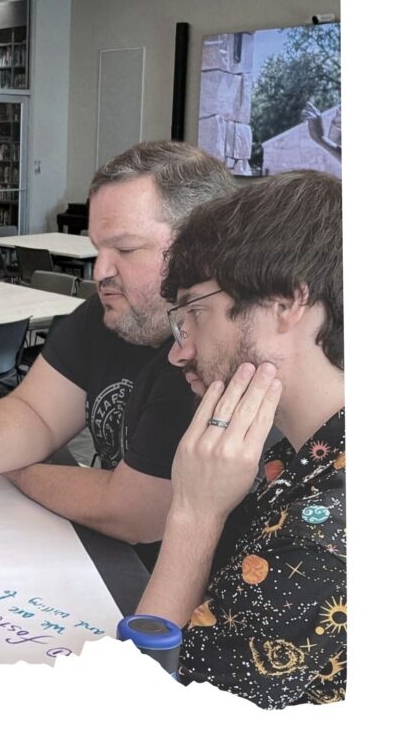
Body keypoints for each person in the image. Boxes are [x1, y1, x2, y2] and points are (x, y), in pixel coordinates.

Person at [0, 142, 236, 566]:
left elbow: (134, 512)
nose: (100, 272)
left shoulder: (209, 355)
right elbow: (36, 411)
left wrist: (15, 468)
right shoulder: (111, 312)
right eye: (98, 249)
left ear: (199, 250)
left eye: (126, 250)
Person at [134, 170, 344, 708]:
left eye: (194, 315)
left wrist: (194, 514)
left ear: (285, 304)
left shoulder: (319, 539)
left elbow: (143, 712)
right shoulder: (297, 455)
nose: (179, 352)